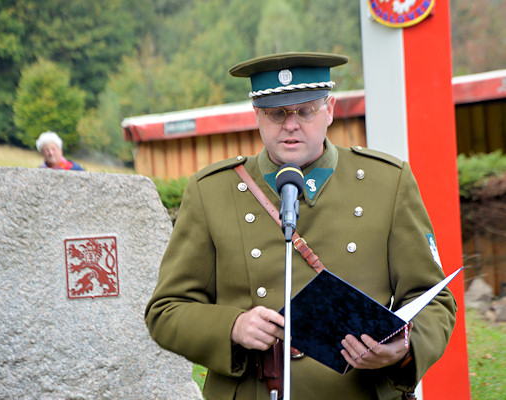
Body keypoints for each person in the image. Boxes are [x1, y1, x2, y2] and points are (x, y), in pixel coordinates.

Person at [145, 52, 457, 399]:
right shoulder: (211, 192)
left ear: (330, 110)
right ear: (257, 116)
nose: (291, 124)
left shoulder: (387, 183)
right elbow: (166, 311)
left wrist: (404, 348)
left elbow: (434, 298)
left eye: (305, 110)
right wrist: (232, 326)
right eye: (276, 113)